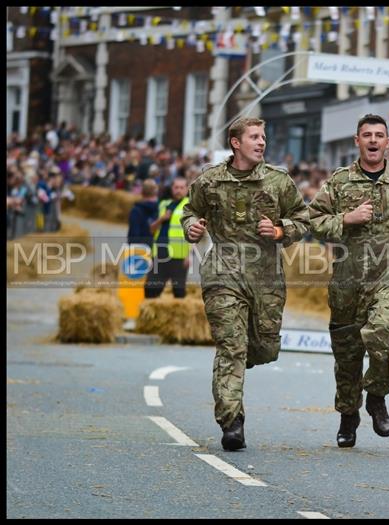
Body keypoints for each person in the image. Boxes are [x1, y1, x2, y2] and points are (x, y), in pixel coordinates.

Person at [308, 114, 389, 448]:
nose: (373, 140)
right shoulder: (339, 182)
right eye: (366, 135)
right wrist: (346, 218)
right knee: (348, 355)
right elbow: (313, 221)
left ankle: (377, 395)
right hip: (348, 278)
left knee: (383, 332)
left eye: (379, 135)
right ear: (357, 141)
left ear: (388, 142)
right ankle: (348, 415)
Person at [181, 117, 310, 451]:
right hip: (222, 274)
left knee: (264, 347)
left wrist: (280, 230)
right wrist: (193, 228)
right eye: (254, 137)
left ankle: (243, 361)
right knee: (231, 346)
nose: (261, 142)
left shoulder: (278, 181)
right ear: (236, 143)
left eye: (264, 137)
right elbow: (189, 211)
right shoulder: (210, 180)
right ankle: (231, 422)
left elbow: (303, 218)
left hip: (266, 277)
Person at [144, 177, 192, 299]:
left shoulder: (190, 206)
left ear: (187, 189)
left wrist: (189, 254)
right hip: (160, 254)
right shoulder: (163, 205)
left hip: (179, 256)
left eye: (182, 188)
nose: (179, 190)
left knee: (179, 291)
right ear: (172, 189)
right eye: (176, 187)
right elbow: (151, 229)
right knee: (151, 289)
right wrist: (162, 219)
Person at [127, 179, 160, 247]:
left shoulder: (136, 211)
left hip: (140, 249)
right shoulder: (161, 209)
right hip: (157, 249)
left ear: (142, 192)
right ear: (156, 192)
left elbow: (133, 236)